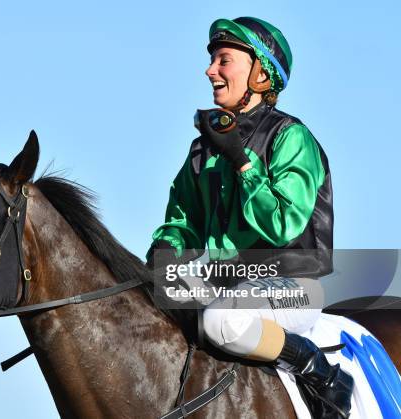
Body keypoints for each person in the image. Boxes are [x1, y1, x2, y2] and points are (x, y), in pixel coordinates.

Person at [147, 17, 353, 418]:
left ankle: (317, 370)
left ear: (260, 73)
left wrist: (241, 161)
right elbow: (182, 219)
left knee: (222, 322)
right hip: (223, 282)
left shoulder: (292, 138)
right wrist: (165, 250)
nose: (210, 70)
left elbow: (283, 224)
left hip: (292, 285)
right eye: (212, 61)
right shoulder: (202, 148)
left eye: (224, 59)